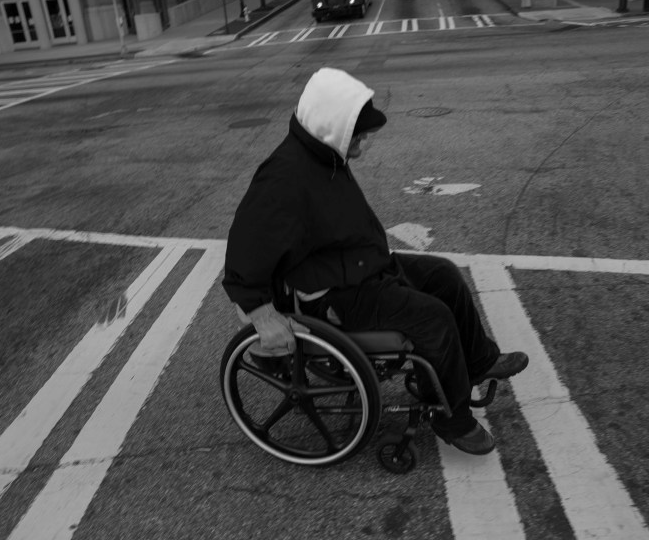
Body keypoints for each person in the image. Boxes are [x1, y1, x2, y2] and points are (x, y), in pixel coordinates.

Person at [222, 67, 528, 455]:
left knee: (443, 274)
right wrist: (262, 314)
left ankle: (478, 360)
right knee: (432, 317)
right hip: (331, 294)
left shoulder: (320, 155)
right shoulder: (283, 180)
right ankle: (451, 417)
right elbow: (244, 252)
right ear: (331, 126)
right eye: (358, 132)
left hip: (361, 268)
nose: (364, 139)